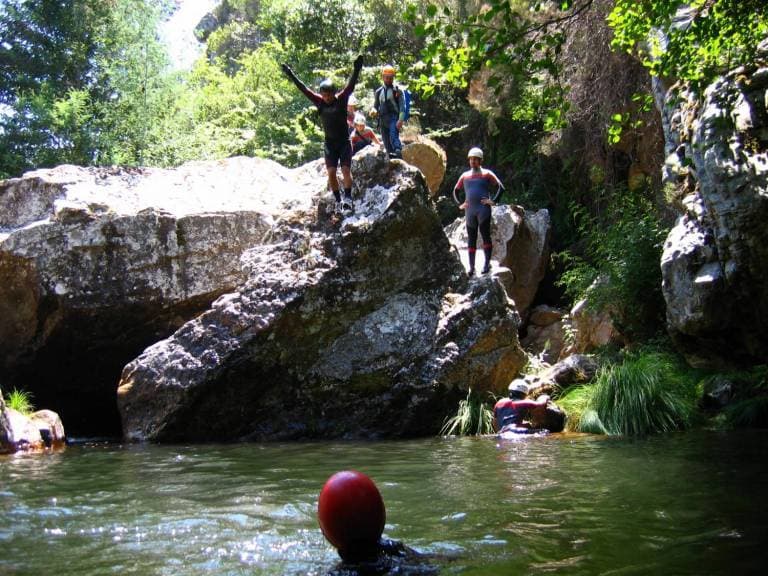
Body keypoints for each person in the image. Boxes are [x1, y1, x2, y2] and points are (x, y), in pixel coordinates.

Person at [281, 55, 363, 214]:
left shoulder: (341, 99)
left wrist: (357, 69)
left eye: (328, 95)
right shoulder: (318, 101)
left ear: (333, 93)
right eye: (324, 95)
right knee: (331, 172)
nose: (326, 98)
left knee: (345, 169)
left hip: (344, 142)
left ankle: (348, 198)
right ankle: (339, 201)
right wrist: (290, 74)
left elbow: (350, 86)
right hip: (330, 143)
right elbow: (303, 88)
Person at [452, 147, 505, 276]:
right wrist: (460, 204)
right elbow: (455, 191)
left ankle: (486, 264)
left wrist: (493, 201)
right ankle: (471, 267)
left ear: (480, 160)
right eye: (471, 159)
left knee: (485, 235)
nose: (473, 161)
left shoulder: (487, 174)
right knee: (471, 238)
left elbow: (501, 187)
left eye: (475, 159)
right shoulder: (464, 176)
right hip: (470, 211)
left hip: (483, 210)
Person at [370, 64, 404, 159]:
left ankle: (398, 152)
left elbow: (402, 106)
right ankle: (391, 158)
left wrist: (400, 120)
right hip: (383, 119)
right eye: (387, 77)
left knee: (393, 136)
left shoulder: (397, 90)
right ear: (383, 77)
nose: (389, 80)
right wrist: (373, 110)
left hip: (394, 117)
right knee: (386, 142)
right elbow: (376, 105)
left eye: (391, 78)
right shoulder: (378, 92)